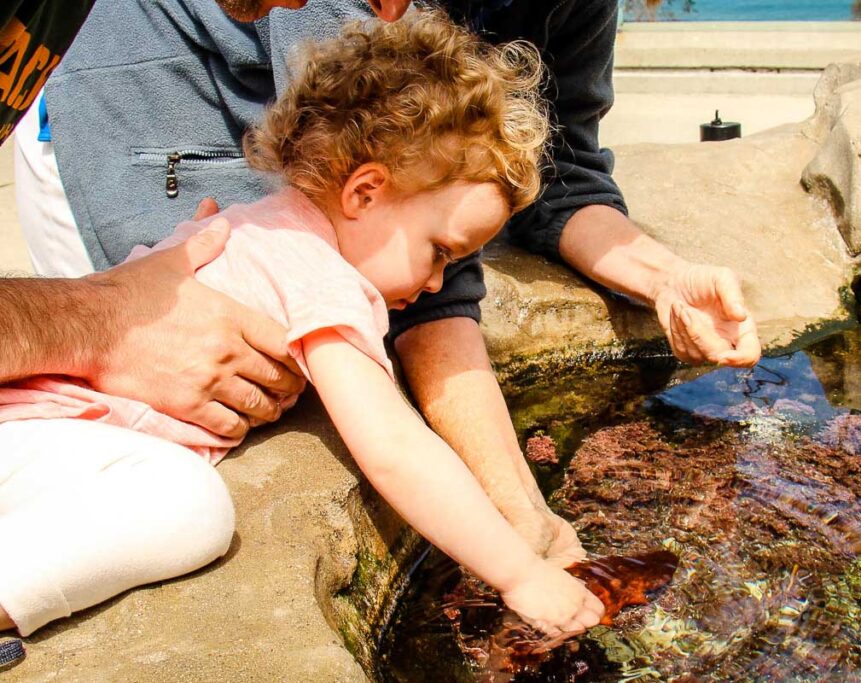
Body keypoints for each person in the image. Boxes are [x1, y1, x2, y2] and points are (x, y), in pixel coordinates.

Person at [15, 0, 761, 564]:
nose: (391, 9)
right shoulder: (326, 254)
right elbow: (398, 427)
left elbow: (561, 180)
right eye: (437, 250)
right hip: (154, 86)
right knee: (194, 453)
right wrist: (519, 536)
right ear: (364, 187)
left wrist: (664, 279)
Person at [0, 11, 605, 641]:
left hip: (34, 430)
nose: (436, 283)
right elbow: (395, 448)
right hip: (41, 431)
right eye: (440, 251)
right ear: (364, 193)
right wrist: (518, 576)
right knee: (186, 506)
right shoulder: (318, 275)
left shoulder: (266, 222)